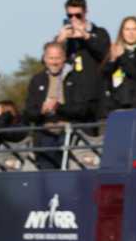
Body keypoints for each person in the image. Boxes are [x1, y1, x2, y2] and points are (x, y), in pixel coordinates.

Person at [26, 42, 101, 170]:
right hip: (45, 136)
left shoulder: (77, 78)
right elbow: (28, 112)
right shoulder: (37, 80)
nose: (54, 62)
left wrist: (58, 107)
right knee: (47, 175)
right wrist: (41, 110)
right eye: (51, 58)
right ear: (44, 58)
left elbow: (83, 109)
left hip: (71, 134)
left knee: (71, 175)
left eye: (57, 58)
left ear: (64, 58)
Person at [57, 0, 111, 111]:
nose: (74, 19)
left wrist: (86, 36)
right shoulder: (65, 37)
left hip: (96, 97)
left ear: (85, 12)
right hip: (72, 98)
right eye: (70, 16)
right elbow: (46, 61)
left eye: (78, 15)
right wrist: (59, 42)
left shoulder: (100, 32)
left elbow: (105, 54)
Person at [104, 16, 136, 112]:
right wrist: (112, 60)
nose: (130, 33)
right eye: (127, 29)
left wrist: (123, 56)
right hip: (117, 105)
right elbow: (105, 75)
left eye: (134, 29)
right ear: (122, 32)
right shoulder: (115, 49)